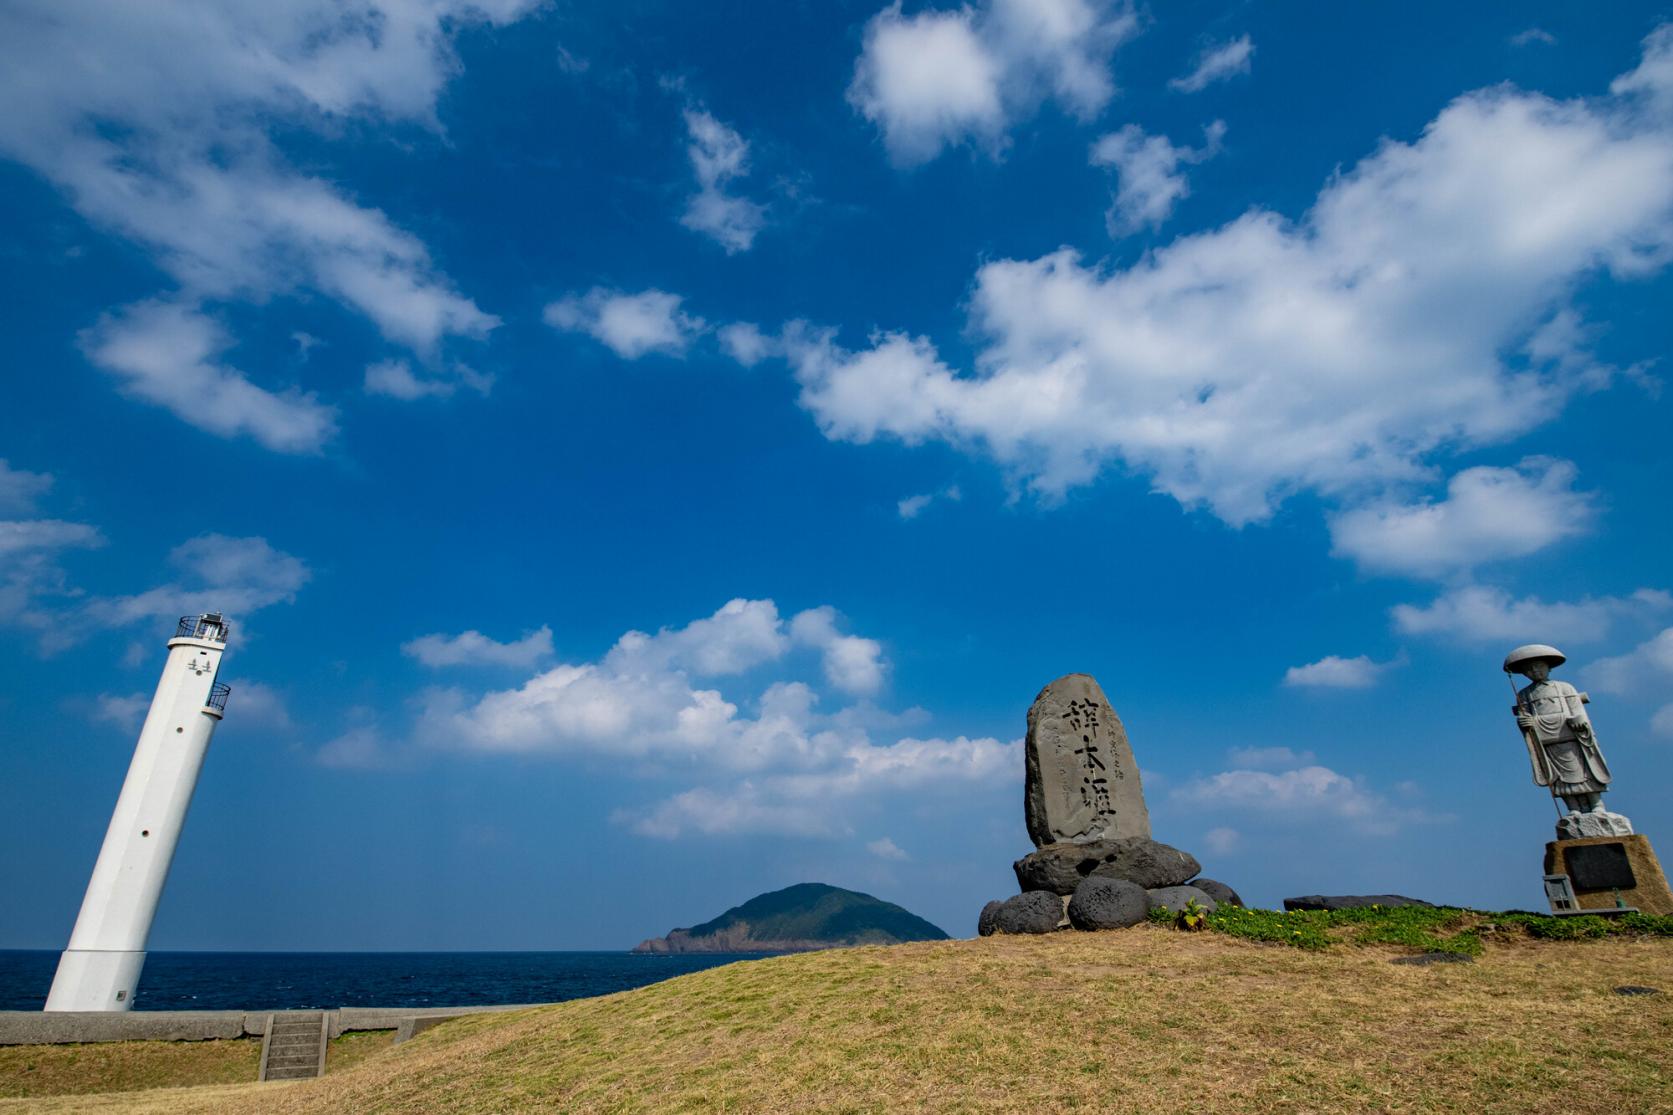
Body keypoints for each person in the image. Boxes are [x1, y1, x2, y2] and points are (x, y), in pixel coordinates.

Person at [1504, 644, 1612, 814]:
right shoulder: (1524, 694)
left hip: (1571, 737)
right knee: (1556, 775)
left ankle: (1596, 804)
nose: (1535, 671)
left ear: (1548, 667)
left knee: (1584, 769)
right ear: (1524, 673)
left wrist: (1578, 720)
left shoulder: (1564, 687)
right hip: (1547, 742)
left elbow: (1577, 710)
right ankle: (1573, 807)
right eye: (1529, 669)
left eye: (1539, 666)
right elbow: (1525, 717)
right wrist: (1525, 722)